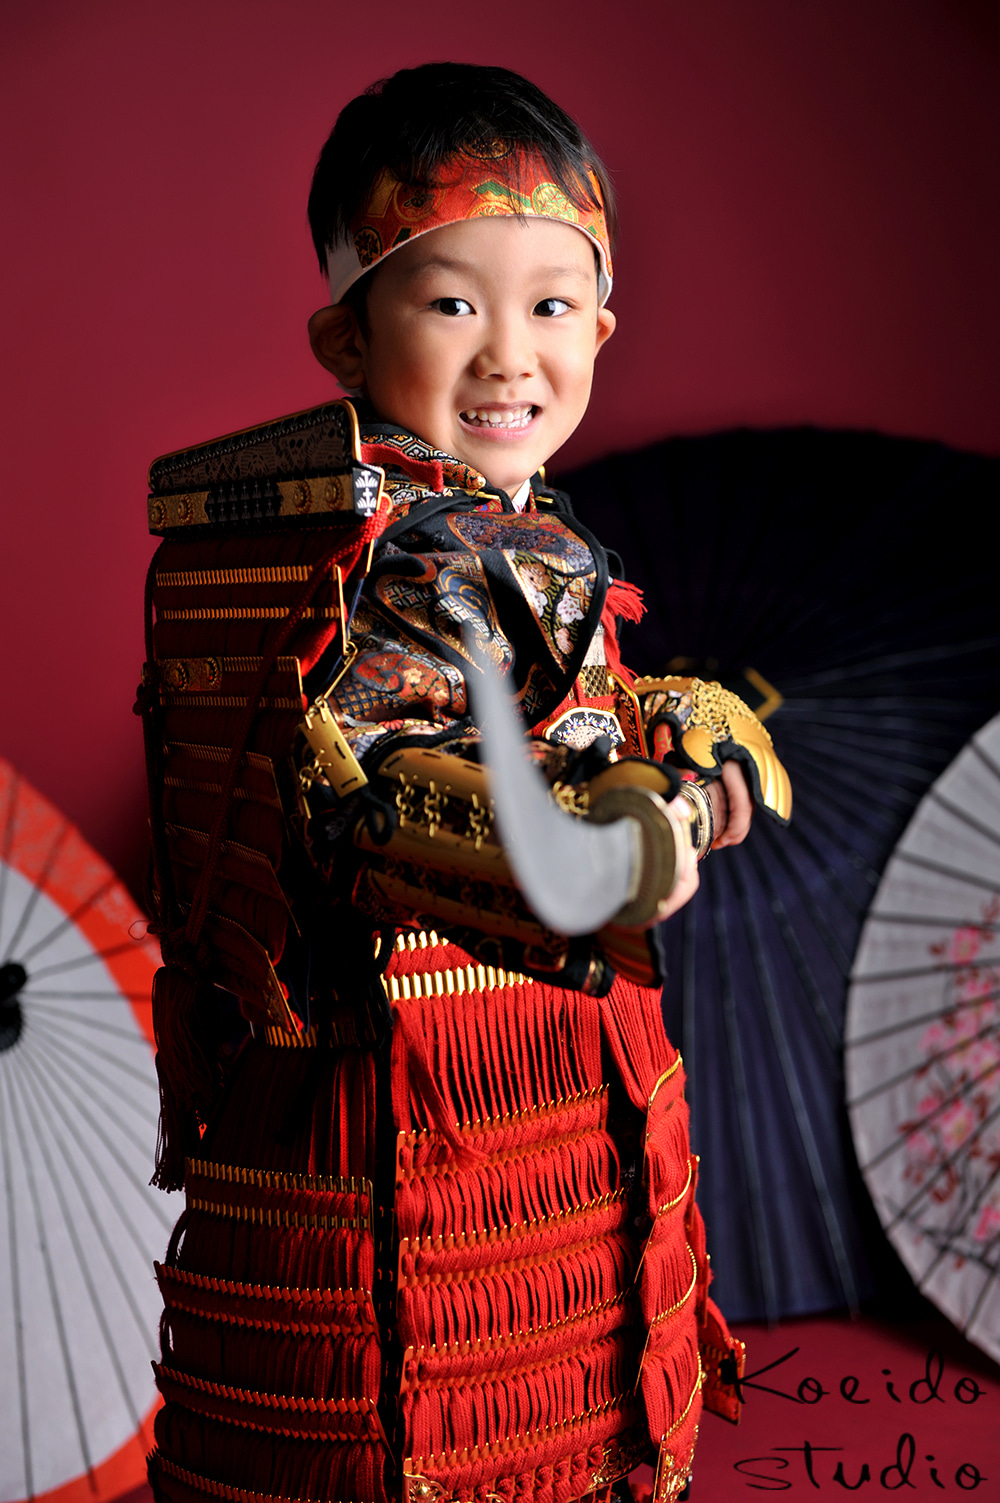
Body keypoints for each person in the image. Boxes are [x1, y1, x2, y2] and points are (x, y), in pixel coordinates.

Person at [139, 63, 790, 1503]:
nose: (510, 356)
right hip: (411, 1108)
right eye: (452, 305)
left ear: (601, 325)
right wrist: (598, 842)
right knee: (416, 1434)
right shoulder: (398, 549)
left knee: (582, 1424)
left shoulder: (515, 527)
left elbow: (562, 713)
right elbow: (361, 783)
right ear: (347, 337)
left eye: (551, 307)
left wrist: (679, 725)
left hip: (549, 1102)